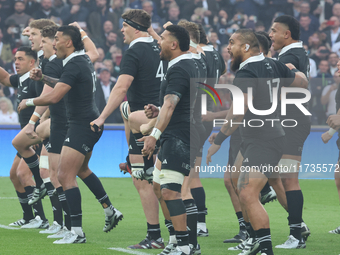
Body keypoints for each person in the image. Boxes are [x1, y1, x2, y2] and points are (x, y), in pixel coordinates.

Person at [206, 28, 308, 255]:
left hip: (263, 140)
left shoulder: (247, 73)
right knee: (238, 183)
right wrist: (298, 73)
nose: (228, 48)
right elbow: (302, 84)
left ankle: (265, 248)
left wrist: (219, 139)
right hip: (263, 137)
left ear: (245, 47)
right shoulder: (273, 64)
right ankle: (256, 241)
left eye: (231, 43)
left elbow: (238, 113)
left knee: (248, 193)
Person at [18, 25, 123, 244]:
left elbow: (56, 96)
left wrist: (29, 101)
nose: (54, 43)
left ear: (68, 42)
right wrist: (43, 79)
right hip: (81, 124)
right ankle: (108, 210)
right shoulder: (77, 60)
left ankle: (75, 231)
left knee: (64, 175)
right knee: (78, 171)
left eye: (56, 39)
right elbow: (63, 86)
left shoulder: (75, 62)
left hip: (82, 125)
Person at [91, 9, 165, 250]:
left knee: (143, 179)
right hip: (166, 118)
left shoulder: (135, 50)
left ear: (134, 27)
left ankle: (156, 236)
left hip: (145, 119)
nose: (121, 30)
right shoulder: (161, 46)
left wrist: (101, 117)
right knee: (163, 179)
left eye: (124, 26)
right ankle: (175, 236)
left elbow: (121, 86)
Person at [141, 25, 199, 255]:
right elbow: (176, 103)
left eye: (162, 38)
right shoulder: (187, 64)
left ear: (174, 44)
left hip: (179, 137)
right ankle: (176, 239)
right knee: (158, 187)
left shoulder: (179, 68)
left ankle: (185, 246)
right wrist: (159, 110)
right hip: (177, 134)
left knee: (170, 192)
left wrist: (153, 135)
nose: (158, 42)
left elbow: (172, 103)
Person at [270, 15, 313, 248]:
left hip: (292, 122)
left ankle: (296, 235)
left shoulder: (289, 56)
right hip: (288, 122)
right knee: (276, 175)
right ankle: (298, 228)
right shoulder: (296, 53)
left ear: (287, 34)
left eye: (274, 31)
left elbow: (298, 80)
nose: (270, 35)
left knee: (288, 179)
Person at [0, 46, 48, 229]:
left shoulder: (38, 80)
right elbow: (4, 78)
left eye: (20, 59)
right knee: (14, 175)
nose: (16, 62)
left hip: (33, 137)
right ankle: (28, 217)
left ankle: (41, 219)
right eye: (15, 59)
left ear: (32, 62)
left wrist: (38, 135)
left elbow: (48, 103)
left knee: (22, 173)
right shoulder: (21, 79)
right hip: (25, 139)